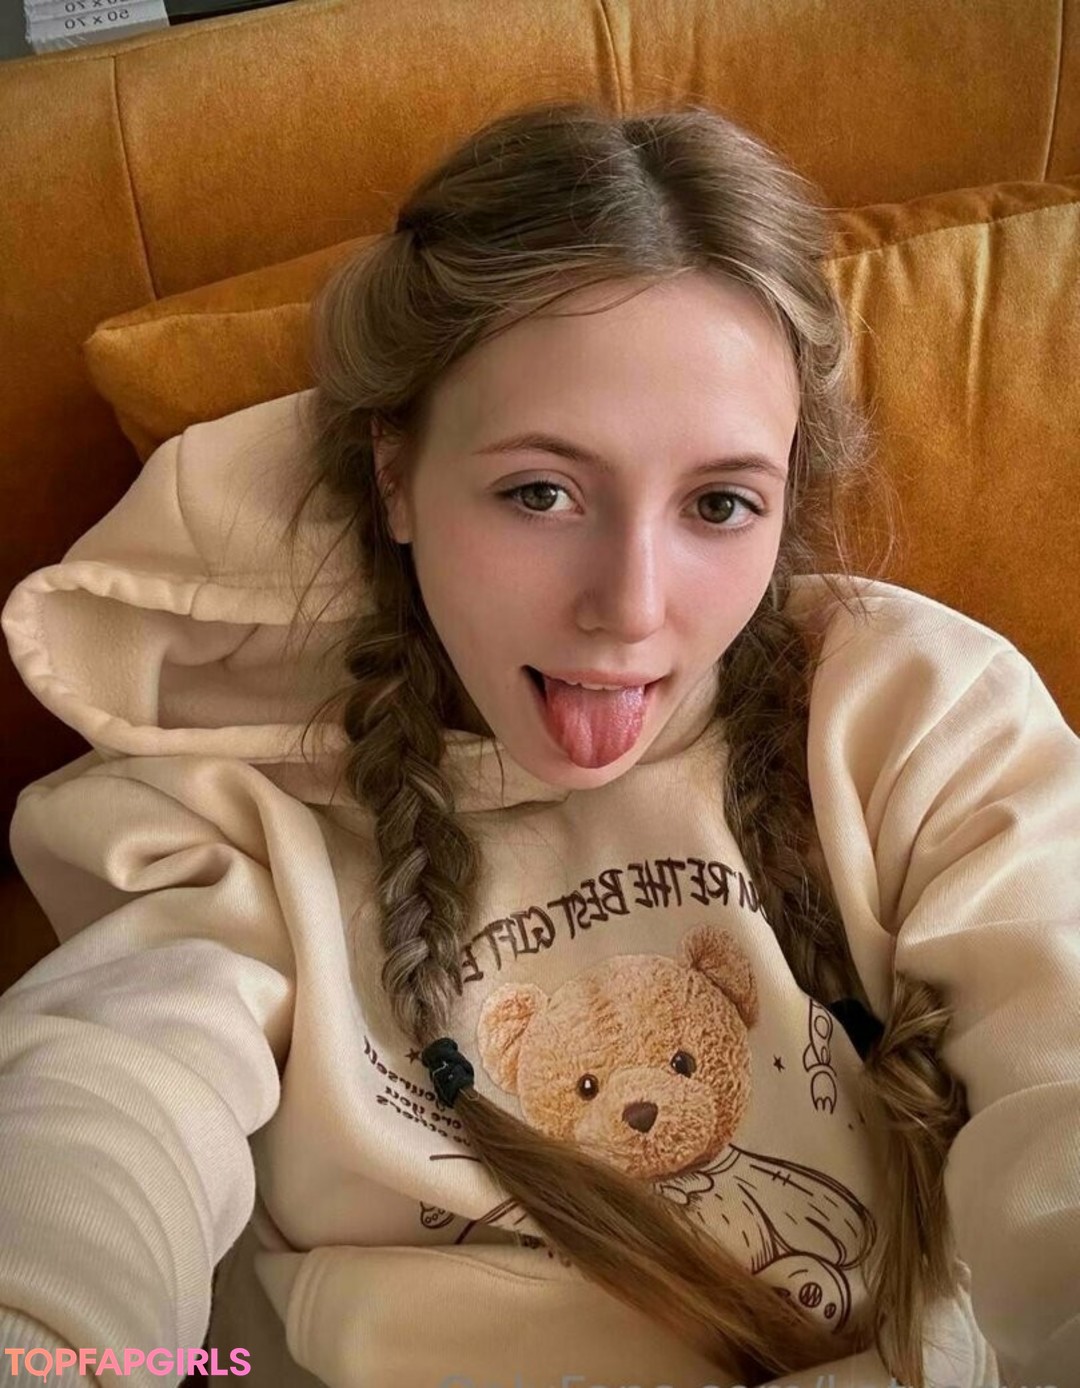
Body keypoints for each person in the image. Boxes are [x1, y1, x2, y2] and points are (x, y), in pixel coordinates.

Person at [1, 97, 1078, 1388]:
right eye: (542, 491)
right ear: (395, 476)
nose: (630, 606)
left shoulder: (915, 715)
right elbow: (98, 1120)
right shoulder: (232, 815)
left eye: (719, 504)